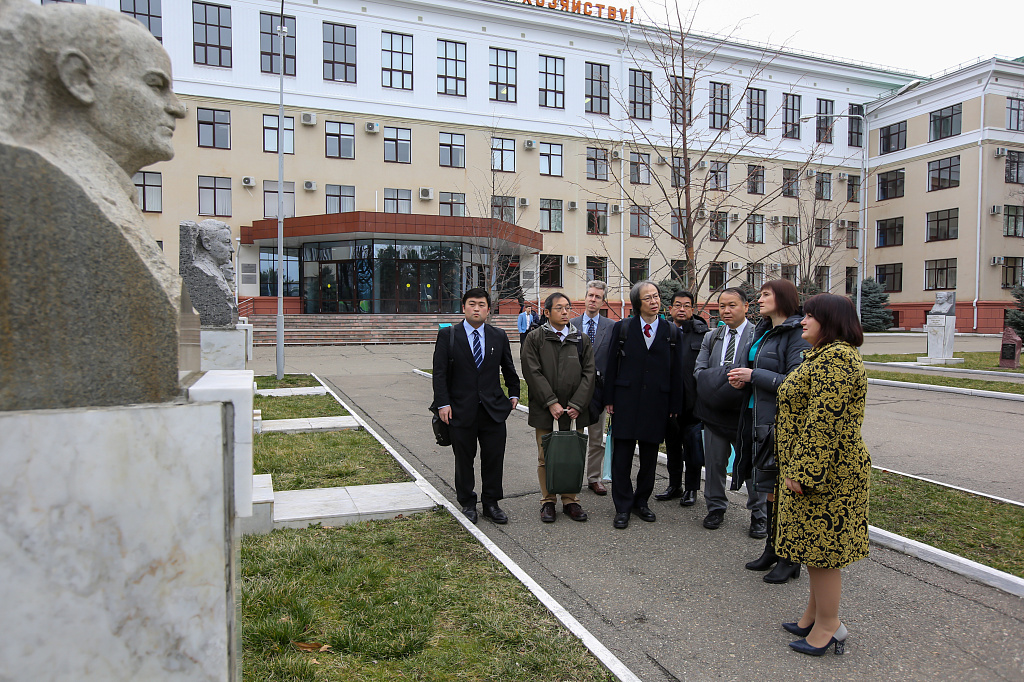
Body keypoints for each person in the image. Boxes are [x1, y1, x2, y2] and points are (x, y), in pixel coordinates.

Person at [774, 293, 868, 656]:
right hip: (821, 470)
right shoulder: (823, 357)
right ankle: (814, 614)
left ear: (829, 322)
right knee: (814, 547)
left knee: (823, 551)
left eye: (810, 316)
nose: (803, 321)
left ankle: (830, 625)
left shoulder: (837, 361)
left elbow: (822, 422)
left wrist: (803, 471)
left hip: (829, 475)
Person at [726, 279, 810, 583]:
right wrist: (744, 379)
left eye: (765, 295)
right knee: (769, 487)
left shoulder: (797, 333)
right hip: (756, 416)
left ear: (783, 298)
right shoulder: (763, 330)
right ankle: (772, 549)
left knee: (783, 489)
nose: (759, 300)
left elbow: (794, 382)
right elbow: (757, 371)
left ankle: (791, 558)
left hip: (781, 422)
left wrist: (754, 375)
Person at [431, 288, 520, 525]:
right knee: (464, 459)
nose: (477, 308)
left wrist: (514, 393)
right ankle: (468, 503)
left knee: (493, 458)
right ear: (464, 307)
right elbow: (439, 374)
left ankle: (491, 503)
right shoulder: (449, 335)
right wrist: (443, 403)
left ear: (488, 309)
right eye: (472, 304)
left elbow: (508, 369)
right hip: (460, 410)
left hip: (493, 410)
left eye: (481, 304)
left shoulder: (498, 335)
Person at [603, 281, 683, 529]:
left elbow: (677, 371)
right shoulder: (623, 328)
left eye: (656, 296)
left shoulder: (671, 332)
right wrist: (609, 399)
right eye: (648, 298)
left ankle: (641, 502)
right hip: (626, 401)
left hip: (657, 403)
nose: (654, 301)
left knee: (649, 458)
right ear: (638, 303)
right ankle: (623, 506)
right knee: (622, 457)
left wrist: (674, 404)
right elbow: (610, 365)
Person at [693, 287, 766, 535]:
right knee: (714, 463)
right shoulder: (711, 337)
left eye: (732, 305)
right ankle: (715, 508)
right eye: (722, 305)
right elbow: (699, 372)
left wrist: (742, 380)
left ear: (746, 307)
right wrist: (726, 379)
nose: (726, 310)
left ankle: (759, 515)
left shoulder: (759, 335)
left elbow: (759, 371)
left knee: (750, 464)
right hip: (714, 412)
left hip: (745, 413)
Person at [521, 292, 595, 523]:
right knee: (546, 457)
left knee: (572, 456)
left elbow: (589, 373)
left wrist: (577, 404)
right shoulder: (535, 338)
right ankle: (548, 501)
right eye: (559, 308)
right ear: (546, 312)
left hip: (574, 411)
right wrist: (551, 402)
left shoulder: (580, 339)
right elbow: (532, 372)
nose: (565, 312)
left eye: (568, 308)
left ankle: (571, 500)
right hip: (546, 410)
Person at [655, 290, 708, 507]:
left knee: (692, 448)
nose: (682, 309)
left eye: (687, 305)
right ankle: (674, 485)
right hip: (668, 402)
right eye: (678, 305)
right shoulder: (662, 332)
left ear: (693, 309)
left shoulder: (703, 335)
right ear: (670, 309)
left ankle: (692, 489)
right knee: (673, 445)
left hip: (692, 402)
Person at [569, 280, 615, 495]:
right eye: (590, 295)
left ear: (603, 301)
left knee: (597, 439)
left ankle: (594, 478)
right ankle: (573, 477)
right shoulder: (571, 324)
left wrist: (611, 395)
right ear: (585, 297)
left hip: (599, 392)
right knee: (574, 437)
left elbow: (614, 362)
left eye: (597, 296)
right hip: (574, 393)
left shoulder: (612, 327)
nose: (593, 299)